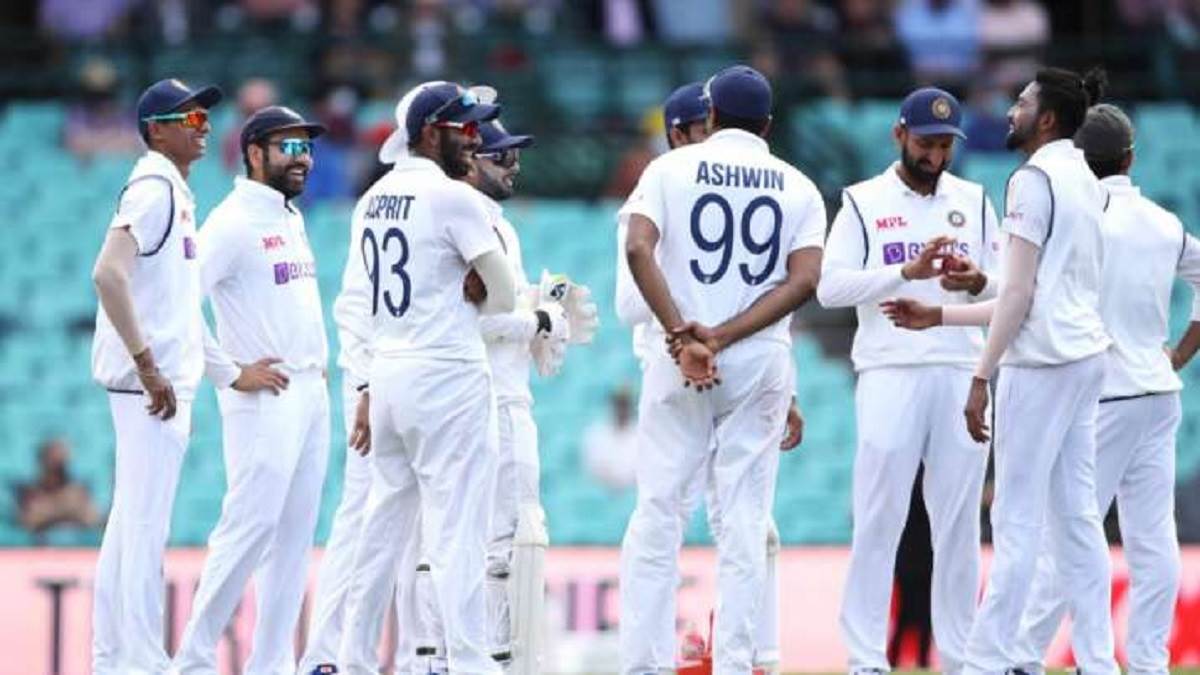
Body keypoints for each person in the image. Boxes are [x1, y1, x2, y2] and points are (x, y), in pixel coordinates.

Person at [882, 67, 1120, 675]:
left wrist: (980, 376)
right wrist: (949, 307)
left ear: (1046, 119)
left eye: (1022, 103)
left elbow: (1018, 298)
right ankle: (1098, 662)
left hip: (1040, 364)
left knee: (1015, 520)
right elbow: (1029, 290)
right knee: (1078, 520)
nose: (1012, 111)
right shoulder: (1087, 177)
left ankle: (987, 662)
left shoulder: (1032, 180)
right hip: (1086, 357)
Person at [619, 65, 825, 672]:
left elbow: (636, 247)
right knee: (744, 523)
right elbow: (805, 281)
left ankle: (644, 665)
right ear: (767, 125)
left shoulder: (668, 170)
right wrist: (727, 335)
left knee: (658, 514)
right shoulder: (800, 186)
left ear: (708, 117)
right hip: (759, 360)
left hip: (677, 358)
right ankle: (737, 662)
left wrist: (683, 333)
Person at [817, 86, 999, 675]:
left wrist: (976, 280)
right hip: (889, 368)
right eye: (925, 143)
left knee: (959, 523)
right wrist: (904, 271)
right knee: (879, 517)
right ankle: (866, 657)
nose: (935, 156)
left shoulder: (974, 200)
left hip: (959, 366)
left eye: (945, 145)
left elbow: (1009, 290)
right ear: (899, 134)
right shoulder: (862, 201)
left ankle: (962, 656)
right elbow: (830, 287)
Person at [335, 81, 516, 675]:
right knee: (458, 528)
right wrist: (478, 290)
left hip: (388, 372)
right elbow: (504, 296)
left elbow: (362, 302)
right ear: (432, 133)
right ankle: (468, 660)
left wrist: (366, 384)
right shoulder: (454, 198)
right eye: (465, 129)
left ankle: (354, 660)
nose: (475, 140)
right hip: (447, 372)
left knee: (381, 528)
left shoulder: (372, 198)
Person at [1014, 104, 1200, 675]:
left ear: (1077, 157)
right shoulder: (1163, 223)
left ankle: (1021, 656)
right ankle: (1148, 662)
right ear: (1130, 158)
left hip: (1101, 395)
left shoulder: (1081, 218)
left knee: (1071, 533)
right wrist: (1180, 353)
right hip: (1158, 392)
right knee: (1153, 538)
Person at [173, 105, 330, 674]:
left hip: (309, 392)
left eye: (306, 147)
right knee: (250, 528)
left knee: (293, 541)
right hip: (265, 396)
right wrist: (229, 371)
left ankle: (271, 665)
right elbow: (177, 301)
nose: (302, 158)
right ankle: (192, 661)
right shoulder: (232, 222)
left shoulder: (290, 216)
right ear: (255, 153)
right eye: (289, 147)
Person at [298, 80, 447, 675]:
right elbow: (357, 306)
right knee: (368, 516)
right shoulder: (427, 199)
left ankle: (394, 656)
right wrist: (364, 385)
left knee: (394, 520)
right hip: (384, 369)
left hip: (387, 369)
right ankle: (331, 656)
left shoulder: (389, 199)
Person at [89, 77, 222, 675]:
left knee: (129, 525)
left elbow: (178, 304)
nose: (204, 126)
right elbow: (107, 274)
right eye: (190, 119)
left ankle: (113, 657)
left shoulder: (170, 189)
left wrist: (226, 371)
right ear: (157, 131)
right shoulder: (153, 188)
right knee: (144, 528)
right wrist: (148, 365)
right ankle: (141, 661)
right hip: (150, 388)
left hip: (154, 383)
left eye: (204, 117)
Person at [467, 114, 598, 672]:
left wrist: (539, 306)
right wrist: (540, 321)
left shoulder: (498, 225)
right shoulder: (466, 221)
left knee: (511, 534)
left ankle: (488, 656)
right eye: (502, 157)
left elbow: (499, 307)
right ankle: (494, 659)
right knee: (507, 535)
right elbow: (474, 322)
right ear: (470, 160)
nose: (513, 166)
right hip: (490, 397)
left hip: (506, 391)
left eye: (515, 156)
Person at [16, 437, 100, 537]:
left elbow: (93, 519)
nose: (57, 467)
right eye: (53, 462)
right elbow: (29, 522)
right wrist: (67, 509)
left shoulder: (78, 490)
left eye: (60, 463)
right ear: (42, 462)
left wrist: (48, 511)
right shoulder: (30, 492)